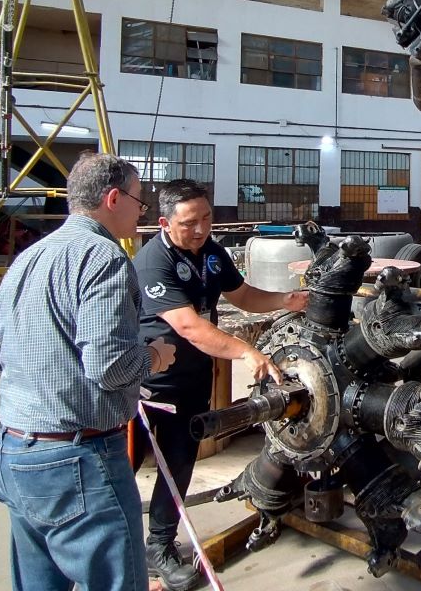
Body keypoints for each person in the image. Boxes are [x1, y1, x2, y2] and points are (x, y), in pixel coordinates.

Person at [0, 152, 177, 591]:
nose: (143, 211)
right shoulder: (104, 258)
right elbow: (109, 365)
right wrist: (155, 356)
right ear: (114, 198)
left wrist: (46, 361)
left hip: (14, 454)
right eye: (141, 201)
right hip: (77, 462)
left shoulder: (31, 256)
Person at [132, 178, 308, 591]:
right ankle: (114, 548)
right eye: (190, 222)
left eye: (207, 218)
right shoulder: (152, 261)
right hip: (146, 385)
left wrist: (285, 300)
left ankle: (158, 547)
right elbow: (190, 326)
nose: (200, 229)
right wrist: (246, 352)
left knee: (177, 467)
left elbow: (242, 294)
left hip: (192, 380)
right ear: (164, 222)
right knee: (120, 470)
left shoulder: (211, 252)